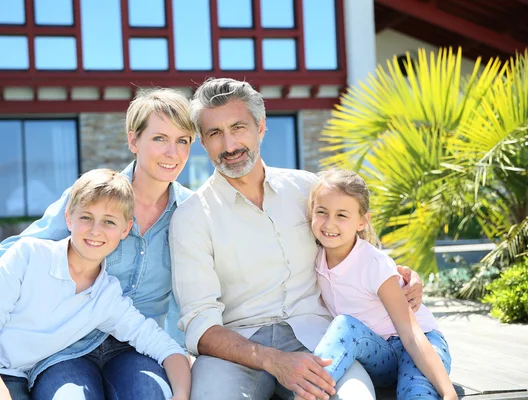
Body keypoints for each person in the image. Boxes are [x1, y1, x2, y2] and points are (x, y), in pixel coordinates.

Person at [0, 88, 196, 399]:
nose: (172, 152)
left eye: (183, 141)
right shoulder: (92, 200)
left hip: (135, 346)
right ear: (134, 140)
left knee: (150, 394)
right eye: (160, 138)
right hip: (67, 346)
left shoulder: (190, 214)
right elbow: (15, 252)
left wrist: (183, 363)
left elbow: (186, 297)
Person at [169, 77, 425, 400]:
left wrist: (399, 275)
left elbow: (353, 251)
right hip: (235, 349)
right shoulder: (191, 218)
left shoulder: (307, 189)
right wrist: (274, 361)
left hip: (319, 338)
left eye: (238, 127)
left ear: (261, 127)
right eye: (215, 133)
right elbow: (200, 327)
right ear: (203, 143)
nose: (230, 145)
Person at [304, 168, 455, 400]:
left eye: (342, 215)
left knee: (418, 394)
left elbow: (411, 334)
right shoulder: (314, 259)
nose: (329, 224)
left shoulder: (374, 264)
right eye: (322, 212)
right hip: (378, 355)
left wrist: (449, 393)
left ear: (363, 221)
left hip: (420, 345)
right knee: (344, 325)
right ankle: (305, 395)